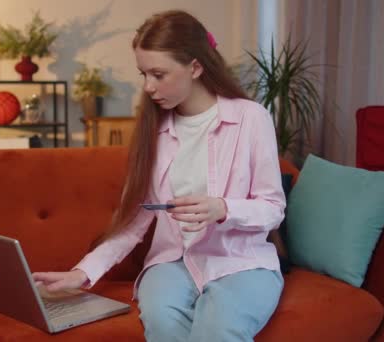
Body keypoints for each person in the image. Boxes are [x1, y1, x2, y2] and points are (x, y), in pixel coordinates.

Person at [33, 9, 286, 342]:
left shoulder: (251, 118)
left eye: (159, 74)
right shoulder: (153, 130)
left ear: (195, 67)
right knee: (162, 322)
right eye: (143, 74)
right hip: (172, 263)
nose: (149, 87)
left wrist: (223, 209)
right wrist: (82, 273)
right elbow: (133, 222)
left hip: (241, 261)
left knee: (219, 330)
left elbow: (273, 208)